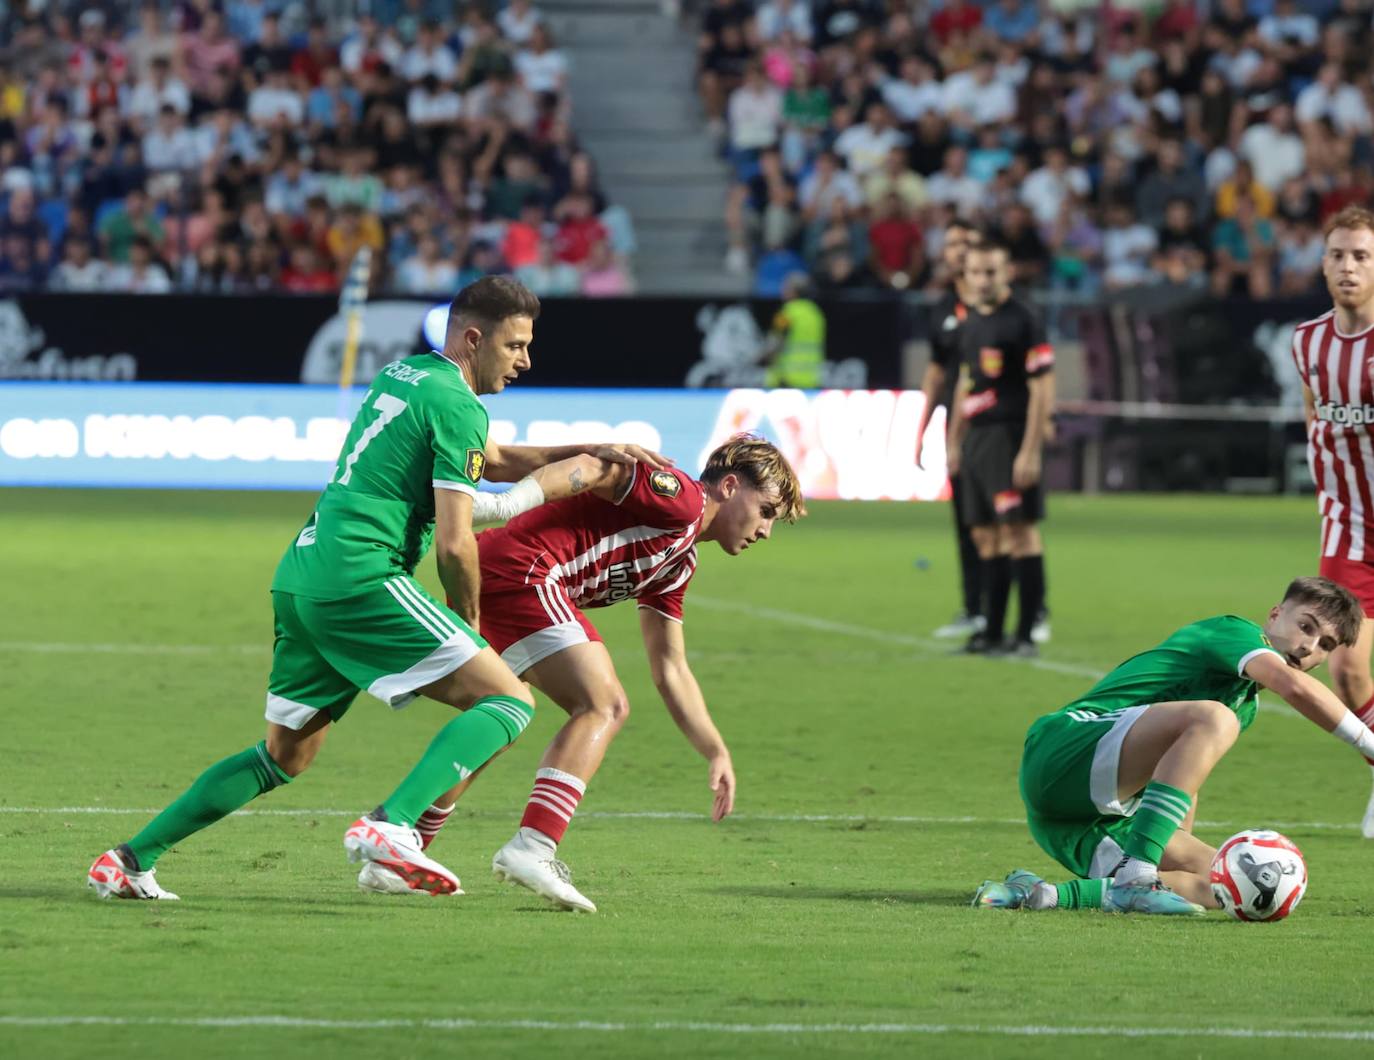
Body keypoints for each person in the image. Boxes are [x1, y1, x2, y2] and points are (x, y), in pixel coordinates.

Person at [86, 278, 667, 900]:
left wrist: (585, 448)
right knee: (507, 701)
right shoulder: (458, 405)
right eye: (515, 345)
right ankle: (390, 827)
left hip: (303, 578)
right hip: (361, 576)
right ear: (475, 338)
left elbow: (487, 456)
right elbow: (454, 539)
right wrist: (468, 620)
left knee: (285, 755)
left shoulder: (407, 375)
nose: (525, 359)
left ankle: (128, 859)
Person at [357, 434, 806, 912]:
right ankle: (533, 848)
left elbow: (669, 666)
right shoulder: (683, 499)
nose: (766, 531)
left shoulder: (678, 562)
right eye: (767, 511)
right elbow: (598, 469)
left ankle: (399, 852)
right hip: (523, 572)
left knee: (498, 720)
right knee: (603, 704)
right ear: (731, 486)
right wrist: (507, 504)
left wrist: (714, 749)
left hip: (494, 575)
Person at [973, 577, 1369, 915]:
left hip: (1081, 820)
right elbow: (1292, 686)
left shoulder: (1244, 706)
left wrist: (1171, 852)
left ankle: (1039, 894)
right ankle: (1137, 873)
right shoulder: (1234, 632)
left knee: (1230, 883)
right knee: (1214, 718)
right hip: (1062, 751)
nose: (1308, 646)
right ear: (1274, 614)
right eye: (1306, 626)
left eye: (1325, 644)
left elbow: (1182, 777)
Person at [1291, 204, 1374, 836]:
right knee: (1345, 668)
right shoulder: (1307, 342)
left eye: (1362, 256)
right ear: (1323, 263)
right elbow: (1315, 416)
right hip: (1349, 528)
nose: (1348, 267)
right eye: (1339, 255)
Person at [946, 238, 1054, 657]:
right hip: (977, 439)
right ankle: (991, 632)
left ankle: (1024, 635)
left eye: (991, 271)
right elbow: (966, 383)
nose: (983, 279)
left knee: (1020, 532)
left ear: (1006, 272)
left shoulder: (1024, 320)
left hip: (1010, 437)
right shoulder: (970, 321)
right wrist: (954, 440)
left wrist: (1030, 450)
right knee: (984, 536)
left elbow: (1041, 386)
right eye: (975, 272)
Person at [914, 220, 984, 641]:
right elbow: (938, 370)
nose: (958, 251)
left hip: (994, 423)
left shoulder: (992, 306)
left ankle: (1026, 611)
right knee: (965, 520)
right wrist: (922, 428)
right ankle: (974, 607)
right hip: (957, 426)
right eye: (952, 242)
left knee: (1002, 524)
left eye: (967, 243)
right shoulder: (943, 308)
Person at [763, 272, 825, 387]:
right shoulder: (816, 313)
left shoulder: (786, 313)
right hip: (811, 379)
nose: (782, 291)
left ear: (793, 291)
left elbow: (775, 342)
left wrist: (762, 358)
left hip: (786, 378)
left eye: (785, 287)